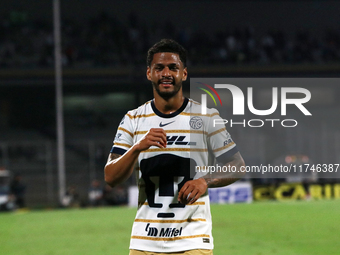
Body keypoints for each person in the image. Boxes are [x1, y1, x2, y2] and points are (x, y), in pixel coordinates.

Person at [104, 39, 245, 255]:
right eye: (159, 68)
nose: (166, 73)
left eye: (173, 67)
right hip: (144, 243)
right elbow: (110, 177)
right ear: (149, 73)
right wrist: (137, 148)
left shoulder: (207, 117)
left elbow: (237, 165)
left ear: (184, 74)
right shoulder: (132, 119)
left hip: (193, 242)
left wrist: (204, 181)